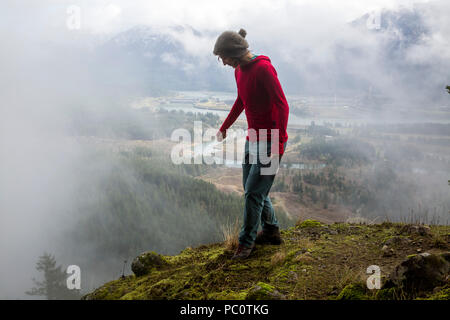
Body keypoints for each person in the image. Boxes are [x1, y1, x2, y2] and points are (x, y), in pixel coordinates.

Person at [213, 28, 289, 259]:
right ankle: (272, 231)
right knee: (252, 189)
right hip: (253, 139)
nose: (222, 62)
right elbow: (241, 100)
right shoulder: (239, 71)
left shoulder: (263, 69)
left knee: (253, 194)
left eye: (223, 57)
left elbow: (282, 105)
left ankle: (245, 244)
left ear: (234, 53)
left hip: (271, 141)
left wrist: (278, 143)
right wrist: (225, 126)